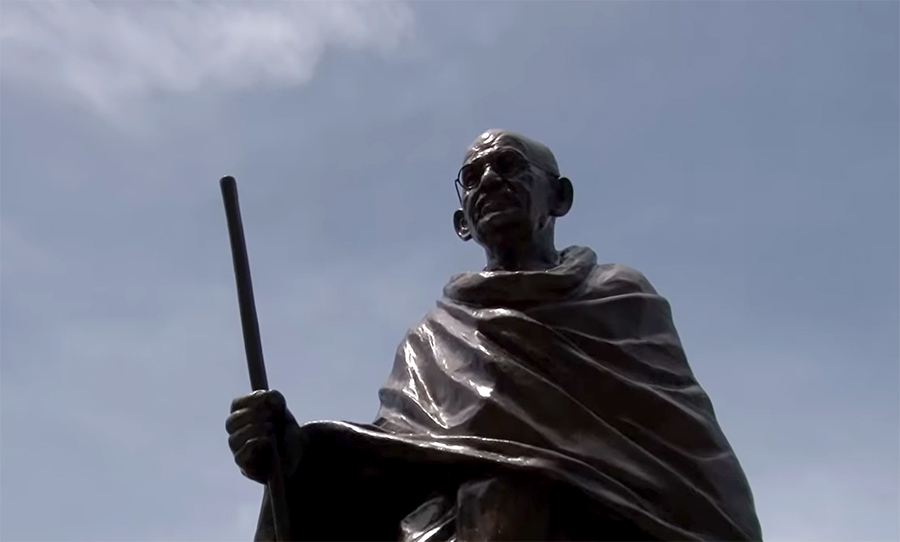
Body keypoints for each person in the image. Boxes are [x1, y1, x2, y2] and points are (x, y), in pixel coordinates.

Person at [226, 129, 763, 541]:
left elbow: (679, 452)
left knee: (506, 493)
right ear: (463, 221)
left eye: (508, 165)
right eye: (473, 176)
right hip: (457, 520)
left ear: (560, 197)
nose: (489, 180)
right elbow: (398, 459)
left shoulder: (618, 298)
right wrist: (296, 456)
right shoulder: (431, 341)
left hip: (609, 520)